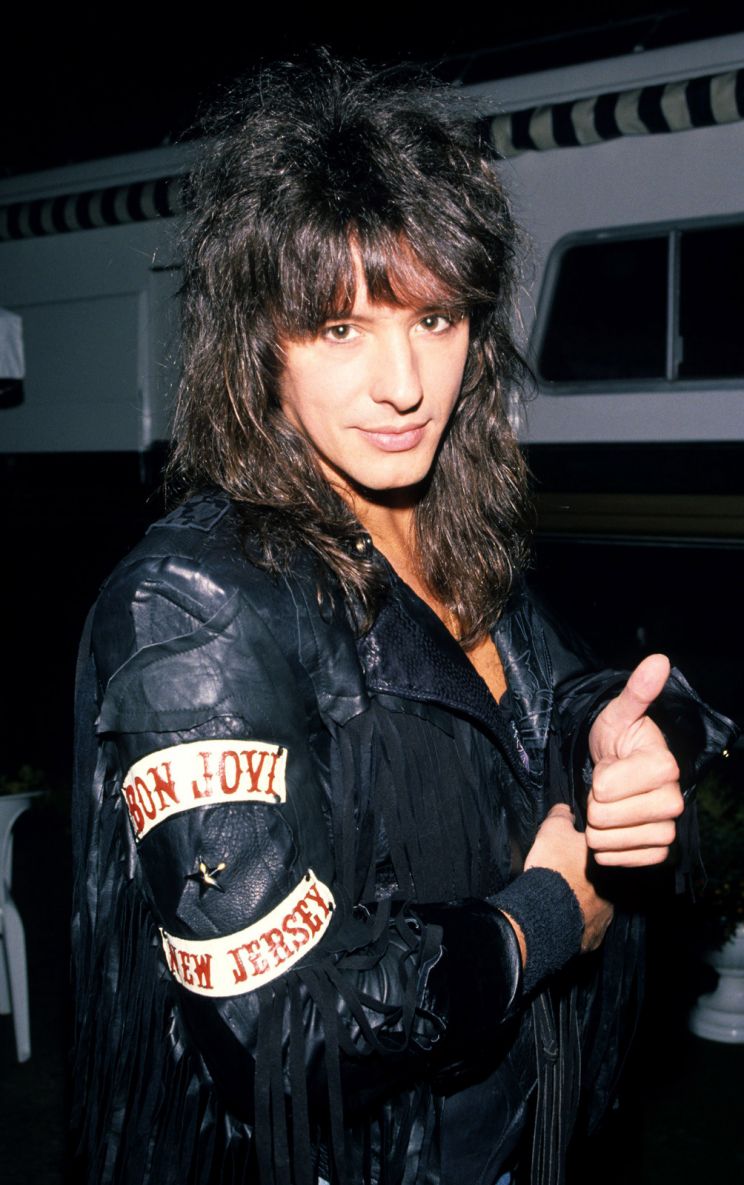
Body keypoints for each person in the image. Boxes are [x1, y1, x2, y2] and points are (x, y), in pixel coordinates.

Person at [70, 55, 735, 1185]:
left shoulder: (444, 524)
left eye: (434, 318)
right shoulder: (194, 607)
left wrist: (630, 740)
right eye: (340, 328)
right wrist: (541, 918)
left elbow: (557, 694)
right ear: (257, 341)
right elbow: (280, 1030)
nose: (406, 384)